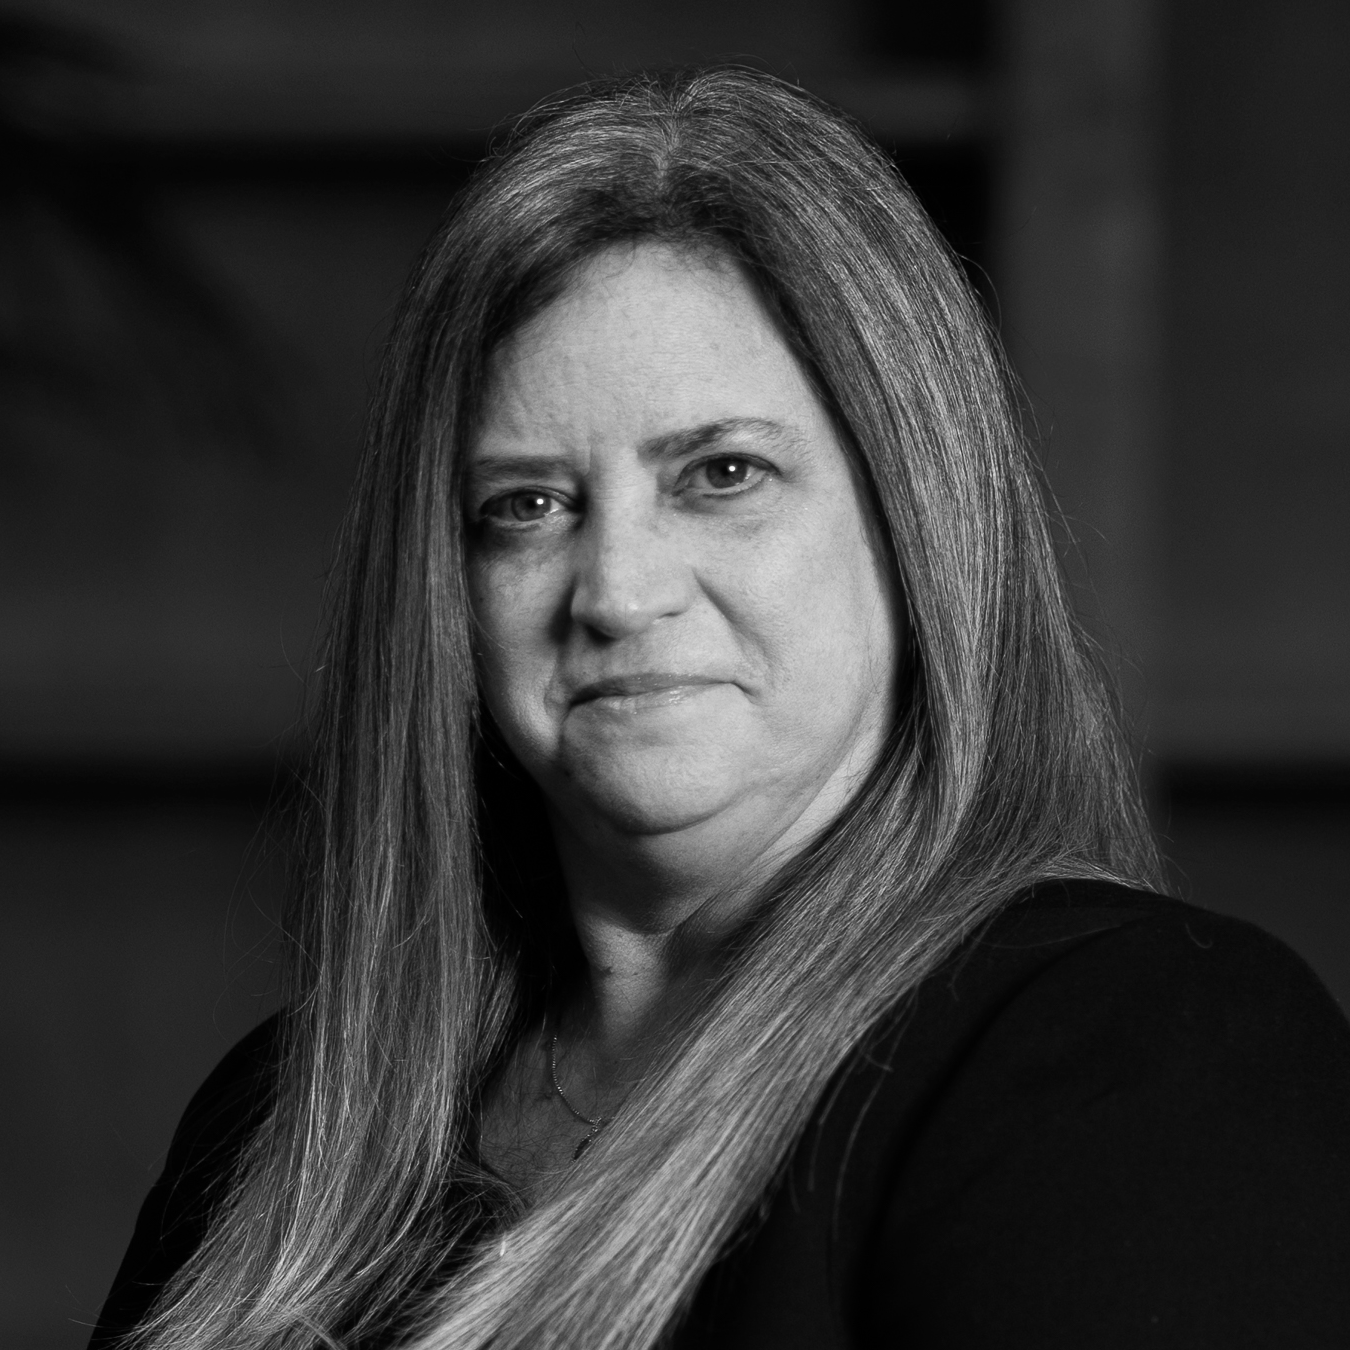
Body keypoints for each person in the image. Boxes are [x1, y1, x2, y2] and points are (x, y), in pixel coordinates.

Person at [91, 67, 1350, 1350]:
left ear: (918, 518)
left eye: (722, 474)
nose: (618, 592)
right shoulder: (274, 1131)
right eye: (526, 505)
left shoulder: (1147, 1049)